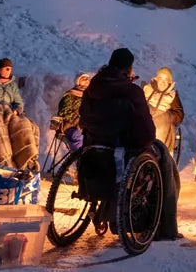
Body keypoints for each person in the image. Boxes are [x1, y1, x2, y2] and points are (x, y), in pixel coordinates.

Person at [79, 47, 180, 241]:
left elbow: (83, 115)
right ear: (129, 69)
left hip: (94, 143)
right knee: (162, 155)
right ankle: (160, 224)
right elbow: (145, 128)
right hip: (122, 148)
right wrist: (147, 141)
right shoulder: (132, 91)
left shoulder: (94, 86)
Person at [143, 66, 185, 153]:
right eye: (161, 78)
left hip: (163, 127)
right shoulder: (147, 90)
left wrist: (167, 116)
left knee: (163, 120)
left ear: (169, 82)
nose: (163, 82)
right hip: (146, 121)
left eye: (166, 79)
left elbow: (179, 114)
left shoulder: (172, 95)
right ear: (156, 79)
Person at [57, 72, 92, 152]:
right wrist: (78, 121)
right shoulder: (70, 95)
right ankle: (80, 157)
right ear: (78, 81)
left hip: (87, 125)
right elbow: (64, 111)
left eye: (87, 78)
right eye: (83, 78)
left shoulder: (91, 95)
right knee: (78, 136)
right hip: (71, 125)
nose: (86, 80)